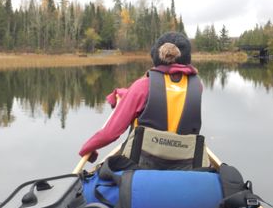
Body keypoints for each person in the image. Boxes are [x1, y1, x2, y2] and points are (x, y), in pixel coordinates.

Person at [79, 32, 203, 165]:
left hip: (142, 166)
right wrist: (127, 94)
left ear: (156, 56)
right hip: (183, 165)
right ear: (187, 58)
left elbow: (110, 134)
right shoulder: (197, 85)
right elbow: (168, 97)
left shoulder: (142, 86)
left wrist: (88, 147)